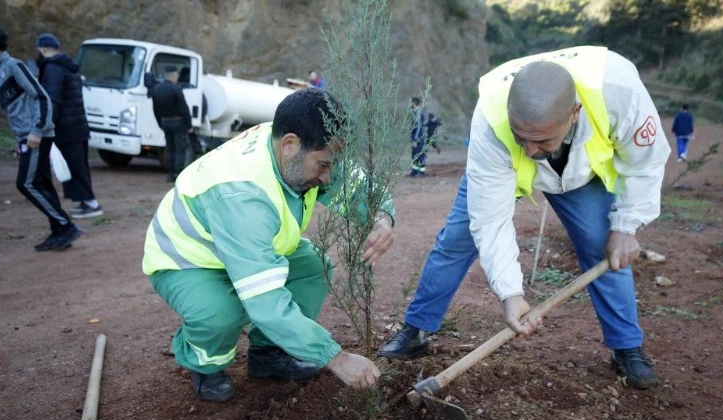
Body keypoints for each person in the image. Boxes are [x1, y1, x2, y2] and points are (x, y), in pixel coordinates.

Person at [378, 46, 671, 391]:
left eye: (541, 139)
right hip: (503, 169)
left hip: (581, 174)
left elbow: (645, 163)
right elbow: (490, 220)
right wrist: (510, 294)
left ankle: (626, 348)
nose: (531, 151)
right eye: (522, 137)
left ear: (574, 113)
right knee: (457, 239)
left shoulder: (618, 89)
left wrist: (626, 225)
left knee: (601, 243)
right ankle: (417, 328)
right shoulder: (491, 121)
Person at [142, 88, 395, 401]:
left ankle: (268, 354)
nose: (329, 179)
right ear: (289, 145)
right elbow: (266, 303)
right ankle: (204, 365)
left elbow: (355, 184)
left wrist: (381, 217)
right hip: (190, 258)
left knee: (313, 268)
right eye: (324, 166)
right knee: (222, 314)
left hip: (247, 245)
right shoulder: (244, 195)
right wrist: (335, 358)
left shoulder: (295, 146)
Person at [0, 23, 82, 251]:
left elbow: (41, 97)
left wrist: (37, 130)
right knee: (42, 183)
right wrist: (18, 141)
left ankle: (65, 225)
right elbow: (15, 109)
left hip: (37, 135)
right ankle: (59, 231)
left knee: (26, 184)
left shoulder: (13, 66)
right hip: (26, 138)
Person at [36, 33, 103, 218]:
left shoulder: (53, 69)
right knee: (79, 165)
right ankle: (84, 202)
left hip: (66, 128)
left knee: (75, 167)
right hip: (77, 125)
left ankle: (92, 204)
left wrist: (47, 124)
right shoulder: (69, 66)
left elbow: (54, 100)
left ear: (42, 49)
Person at [151, 65, 192, 181]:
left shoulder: (156, 89)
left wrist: (160, 123)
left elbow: (155, 109)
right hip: (178, 123)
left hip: (165, 122)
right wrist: (189, 125)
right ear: (174, 76)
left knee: (170, 148)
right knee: (180, 149)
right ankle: (178, 174)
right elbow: (184, 108)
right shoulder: (176, 89)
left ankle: (170, 174)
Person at [409, 97, 427, 177]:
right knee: (414, 154)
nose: (410, 104)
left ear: (414, 103)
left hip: (418, 137)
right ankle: (415, 171)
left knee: (419, 154)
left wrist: (416, 139)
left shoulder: (418, 112)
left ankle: (421, 172)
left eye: (411, 102)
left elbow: (419, 126)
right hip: (415, 137)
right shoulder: (414, 112)